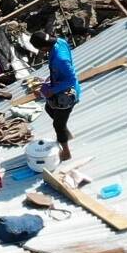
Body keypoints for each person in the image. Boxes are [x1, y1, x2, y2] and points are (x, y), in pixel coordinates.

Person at [30, 31, 81, 161]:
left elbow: (71, 79)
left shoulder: (60, 59)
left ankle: (66, 152)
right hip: (59, 84)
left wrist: (53, 90)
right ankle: (65, 131)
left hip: (68, 94)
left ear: (43, 47)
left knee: (58, 125)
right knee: (49, 108)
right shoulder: (60, 41)